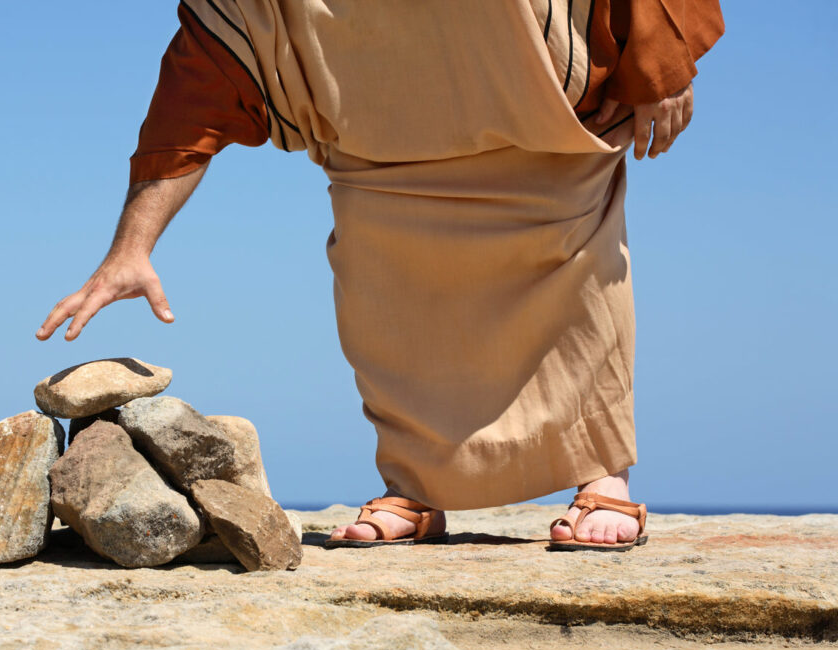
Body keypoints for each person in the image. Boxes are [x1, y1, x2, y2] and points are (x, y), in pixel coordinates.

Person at [37, 1, 723, 551]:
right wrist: (132, 247)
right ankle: (416, 486)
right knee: (388, 312)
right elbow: (205, 70)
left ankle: (601, 476)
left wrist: (661, 62)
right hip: (380, 152)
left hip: (539, 123)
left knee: (580, 293)